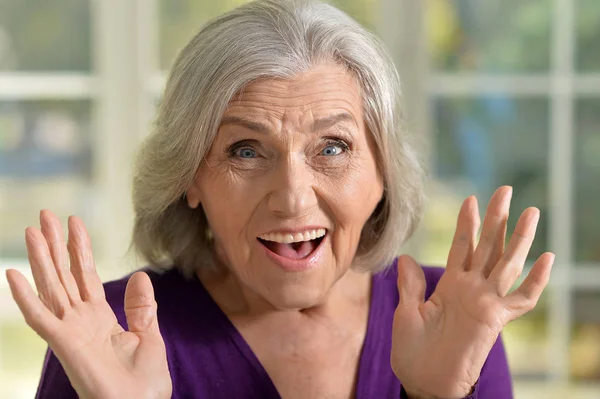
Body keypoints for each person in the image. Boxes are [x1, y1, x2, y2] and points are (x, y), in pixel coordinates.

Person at [6, 0, 554, 398]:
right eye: (246, 151)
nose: (292, 198)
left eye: (333, 147)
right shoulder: (106, 332)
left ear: (384, 170)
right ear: (190, 177)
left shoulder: (454, 315)